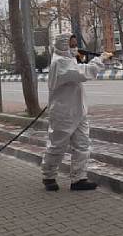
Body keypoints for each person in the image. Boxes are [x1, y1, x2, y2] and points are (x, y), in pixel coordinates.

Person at [41, 33, 112, 191]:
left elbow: (78, 68)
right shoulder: (60, 62)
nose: (75, 47)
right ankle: (49, 176)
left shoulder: (69, 60)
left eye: (75, 44)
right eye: (72, 45)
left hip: (78, 111)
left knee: (82, 145)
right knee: (57, 146)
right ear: (63, 46)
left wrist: (92, 58)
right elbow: (83, 73)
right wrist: (100, 59)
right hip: (63, 113)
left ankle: (79, 178)